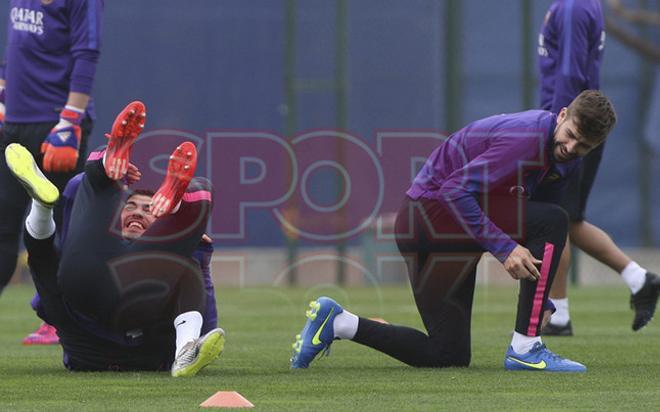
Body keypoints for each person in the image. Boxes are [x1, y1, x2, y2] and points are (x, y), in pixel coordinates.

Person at [291, 90, 616, 372]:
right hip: (430, 219)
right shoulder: (526, 137)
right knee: (554, 220)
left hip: (431, 230)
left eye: (584, 145)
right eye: (571, 134)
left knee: (447, 353)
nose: (572, 147)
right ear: (562, 115)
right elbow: (454, 192)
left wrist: (540, 298)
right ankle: (527, 348)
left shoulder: (560, 153)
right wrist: (504, 248)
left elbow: (522, 213)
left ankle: (339, 322)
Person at [5, 101, 224, 376]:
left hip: (93, 309)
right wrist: (199, 259)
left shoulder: (167, 262)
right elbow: (208, 322)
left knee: (53, 251)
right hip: (141, 323)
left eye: (148, 209)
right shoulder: (172, 263)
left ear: (161, 228)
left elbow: (41, 266)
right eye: (130, 207)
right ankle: (185, 352)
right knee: (200, 197)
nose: (136, 213)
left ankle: (52, 199)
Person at [538, 0, 659, 336]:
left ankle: (559, 315)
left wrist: (557, 131)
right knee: (569, 220)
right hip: (576, 128)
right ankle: (639, 278)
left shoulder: (575, 6)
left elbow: (571, 74)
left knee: (554, 218)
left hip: (570, 132)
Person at [0, 0, 104, 341]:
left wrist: (71, 119)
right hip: (14, 125)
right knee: (3, 225)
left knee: (56, 228)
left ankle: (60, 318)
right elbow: (19, 46)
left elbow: (87, 51)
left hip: (56, 127)